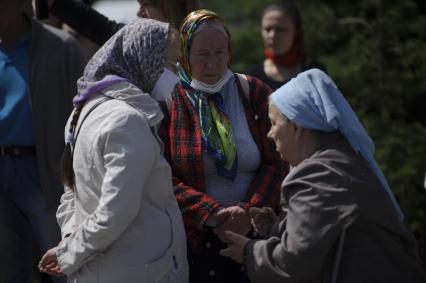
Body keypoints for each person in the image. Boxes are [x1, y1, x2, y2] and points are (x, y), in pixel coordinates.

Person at [220, 69, 426, 283]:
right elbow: (325, 237)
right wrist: (278, 228)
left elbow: (295, 263)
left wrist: (249, 251)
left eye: (273, 123)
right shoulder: (340, 159)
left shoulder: (318, 174)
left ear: (296, 127)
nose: (270, 134)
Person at [38, 19, 188, 282]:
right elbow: (116, 210)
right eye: (170, 65)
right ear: (145, 59)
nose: (175, 75)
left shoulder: (86, 109)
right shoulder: (127, 119)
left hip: (107, 267)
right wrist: (70, 253)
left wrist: (71, 243)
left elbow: (71, 194)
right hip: (136, 269)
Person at [159, 9, 288, 283]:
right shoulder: (172, 104)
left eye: (220, 53)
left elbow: (278, 160)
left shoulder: (252, 92)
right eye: (202, 54)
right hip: (198, 236)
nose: (212, 63)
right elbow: (161, 175)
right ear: (185, 55)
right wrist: (211, 214)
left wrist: (247, 210)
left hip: (256, 231)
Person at [0, 0, 85, 282]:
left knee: (64, 264)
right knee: (10, 268)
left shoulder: (60, 48)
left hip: (46, 171)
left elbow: (85, 111)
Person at [246, 0, 326, 91]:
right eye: (268, 29)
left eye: (280, 29)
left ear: (296, 32)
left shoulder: (314, 72)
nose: (272, 35)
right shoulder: (253, 77)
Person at [47, 0, 199, 46]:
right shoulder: (144, 45)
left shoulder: (207, 45)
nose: (139, 13)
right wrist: (57, 4)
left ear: (167, 7)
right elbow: (102, 29)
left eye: (145, 5)